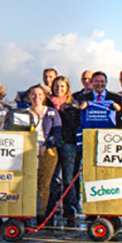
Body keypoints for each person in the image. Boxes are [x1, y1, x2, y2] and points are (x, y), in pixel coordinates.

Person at [47, 76, 82, 228]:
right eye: (56, 86)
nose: (59, 89)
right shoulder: (47, 103)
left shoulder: (73, 104)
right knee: (53, 179)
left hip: (69, 144)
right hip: (52, 145)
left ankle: (71, 211)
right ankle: (50, 211)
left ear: (67, 88)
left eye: (62, 86)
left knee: (69, 179)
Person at [25, 85, 61, 225]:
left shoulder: (52, 112)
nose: (36, 97)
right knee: (30, 182)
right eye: (33, 94)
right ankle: (28, 211)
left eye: (39, 94)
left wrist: (47, 145)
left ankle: (42, 213)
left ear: (44, 96)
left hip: (48, 150)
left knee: (45, 184)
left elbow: (57, 132)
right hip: (29, 150)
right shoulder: (24, 112)